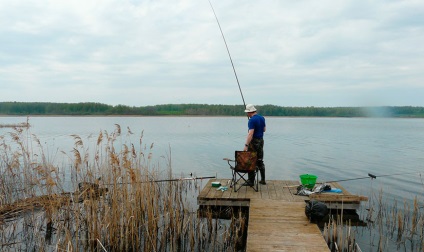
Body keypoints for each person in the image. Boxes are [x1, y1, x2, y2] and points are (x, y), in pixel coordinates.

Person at [243, 104, 266, 185]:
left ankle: (251, 181)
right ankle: (263, 180)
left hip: (254, 143)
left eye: (247, 112)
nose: (247, 114)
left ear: (250, 112)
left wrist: (246, 145)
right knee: (260, 160)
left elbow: (250, 134)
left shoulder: (251, 120)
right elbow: (264, 130)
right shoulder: (262, 118)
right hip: (261, 141)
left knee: (251, 160)